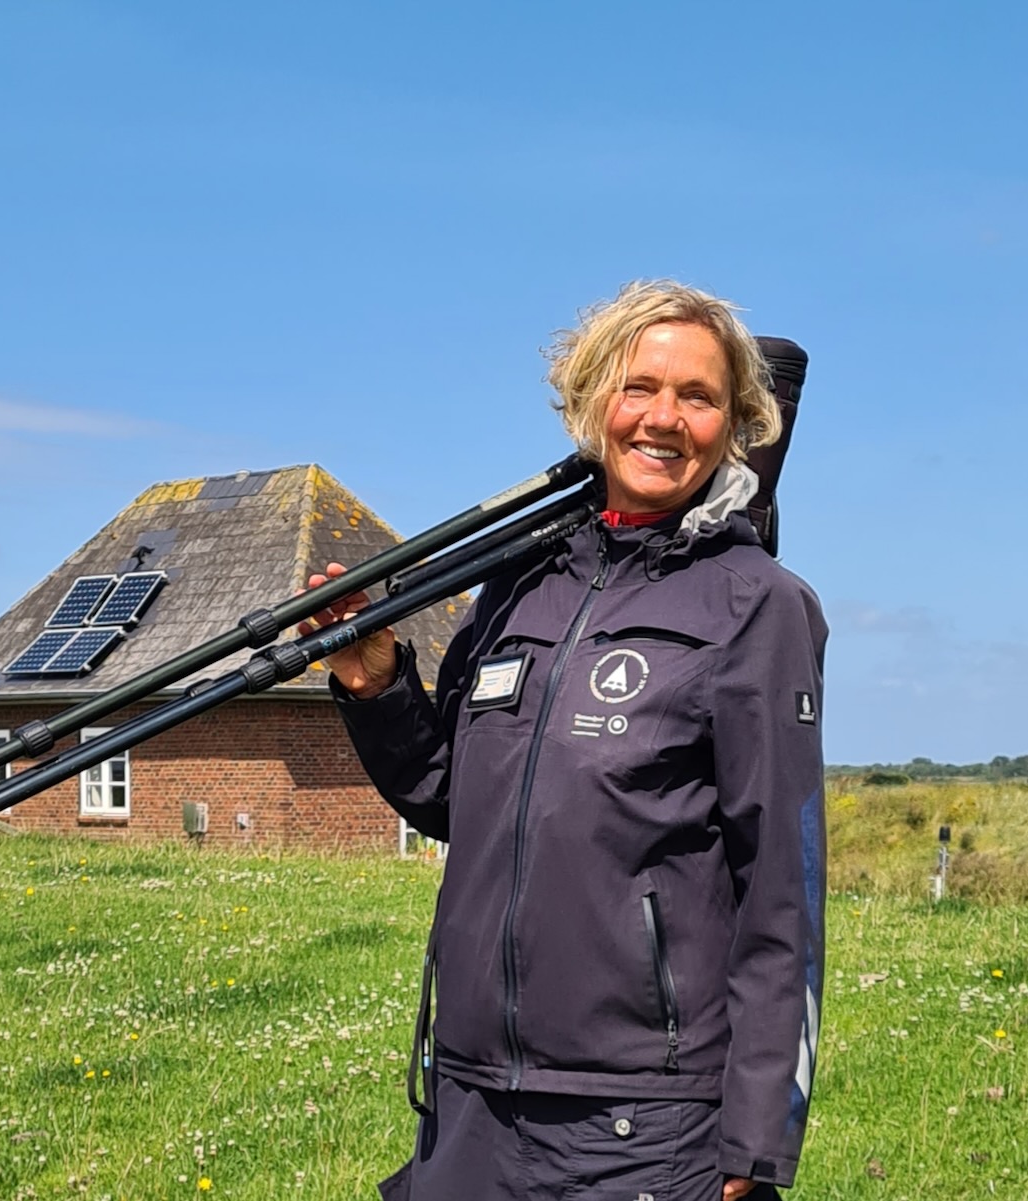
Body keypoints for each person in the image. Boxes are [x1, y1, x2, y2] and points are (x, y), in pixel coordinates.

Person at [301, 281, 827, 1200]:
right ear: (591, 405)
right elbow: (450, 797)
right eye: (639, 387)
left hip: (639, 1123)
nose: (664, 418)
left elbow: (782, 889)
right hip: (469, 1096)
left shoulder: (758, 607)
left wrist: (756, 1135)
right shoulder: (519, 582)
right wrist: (373, 677)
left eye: (698, 397)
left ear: (737, 422)